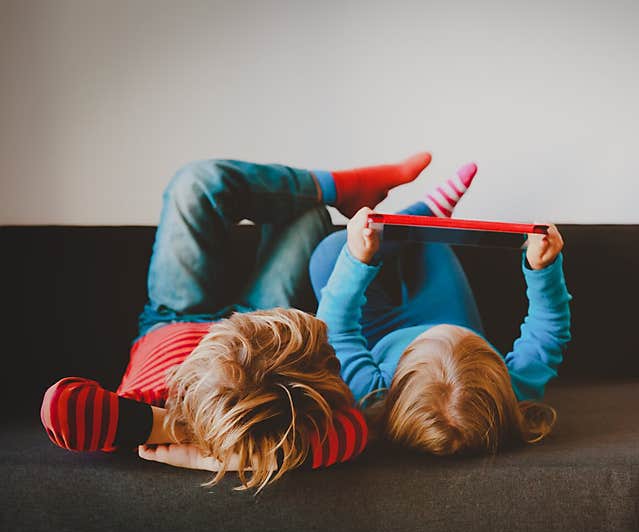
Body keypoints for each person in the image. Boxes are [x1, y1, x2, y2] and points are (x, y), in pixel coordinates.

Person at [40, 152, 437, 491]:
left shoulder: (155, 408)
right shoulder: (271, 408)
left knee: (195, 184)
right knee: (310, 216)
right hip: (256, 320)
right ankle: (336, 189)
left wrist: (172, 427)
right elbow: (355, 432)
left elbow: (62, 406)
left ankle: (341, 186)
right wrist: (230, 454)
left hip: (171, 320)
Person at [309, 166, 572, 457]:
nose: (431, 332)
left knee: (328, 255)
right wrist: (543, 268)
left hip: (378, 332)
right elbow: (549, 332)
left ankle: (422, 213)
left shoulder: (371, 394)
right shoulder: (509, 394)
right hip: (448, 310)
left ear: (397, 380)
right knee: (430, 241)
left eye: (426, 340)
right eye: (459, 339)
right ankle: (428, 214)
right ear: (495, 370)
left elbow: (337, 328)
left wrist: (356, 258)